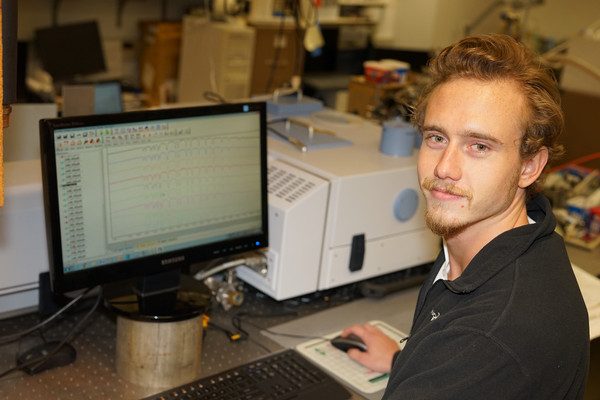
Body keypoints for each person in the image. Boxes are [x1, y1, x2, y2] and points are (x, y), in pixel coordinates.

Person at [341, 34, 590, 399]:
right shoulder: (503, 241)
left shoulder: (489, 336)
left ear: (529, 166)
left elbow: (477, 354)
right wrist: (406, 362)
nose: (444, 168)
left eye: (479, 146)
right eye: (437, 138)